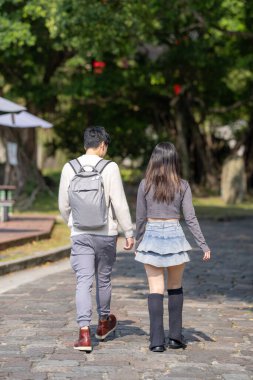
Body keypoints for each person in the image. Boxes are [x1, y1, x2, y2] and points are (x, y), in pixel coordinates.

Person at [59, 126, 134, 352]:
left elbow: (63, 205)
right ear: (102, 145)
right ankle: (102, 324)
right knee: (103, 279)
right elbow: (119, 203)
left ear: (85, 144)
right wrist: (128, 232)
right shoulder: (110, 167)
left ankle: (84, 333)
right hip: (106, 234)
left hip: (80, 233)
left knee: (83, 281)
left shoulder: (69, 167)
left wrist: (72, 223)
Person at [135, 142, 211, 353]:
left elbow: (140, 218)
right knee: (175, 287)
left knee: (155, 289)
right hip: (175, 235)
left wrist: (137, 241)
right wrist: (203, 244)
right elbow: (190, 217)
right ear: (174, 160)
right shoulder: (183, 185)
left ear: (154, 159)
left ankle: (157, 341)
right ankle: (175, 338)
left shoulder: (145, 185)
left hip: (151, 235)